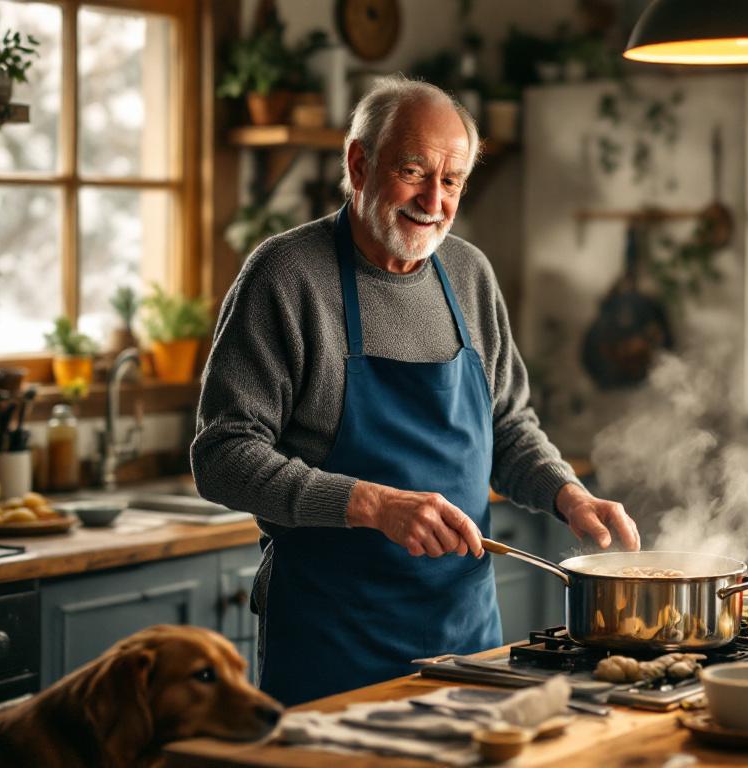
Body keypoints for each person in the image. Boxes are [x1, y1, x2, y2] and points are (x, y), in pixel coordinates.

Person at [191, 75, 639, 707]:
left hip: (465, 641)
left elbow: (507, 425)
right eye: (413, 172)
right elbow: (222, 457)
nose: (434, 199)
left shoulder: (469, 274)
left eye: (452, 180)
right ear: (358, 163)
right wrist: (372, 505)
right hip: (331, 643)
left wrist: (567, 495)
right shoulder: (287, 275)